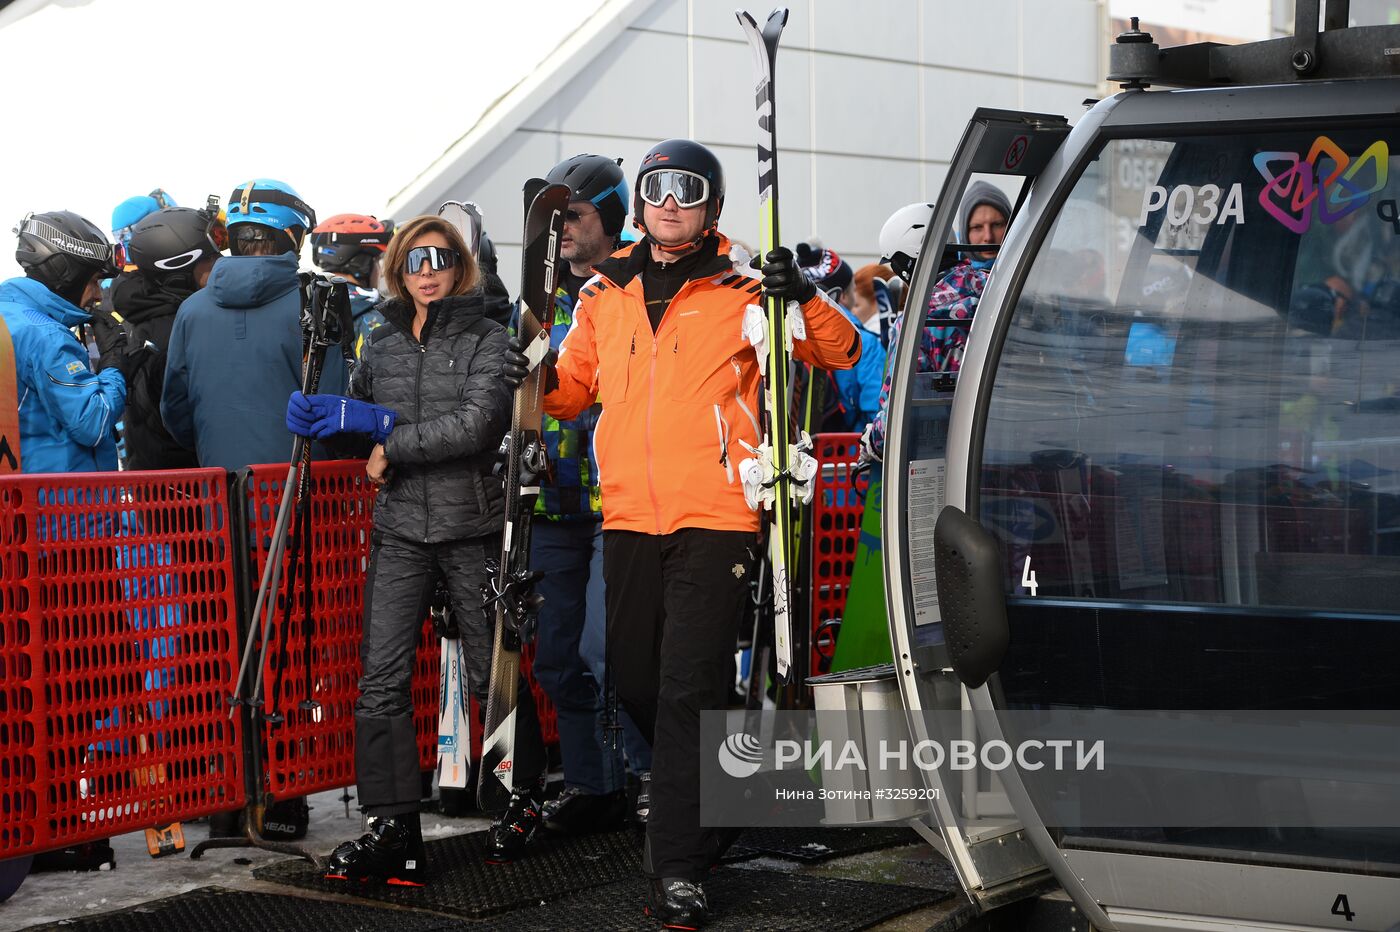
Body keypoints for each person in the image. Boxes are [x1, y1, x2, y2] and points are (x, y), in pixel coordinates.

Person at [503, 138, 862, 929]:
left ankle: (678, 867)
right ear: (640, 204)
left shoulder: (744, 289)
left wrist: (800, 294)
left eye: (688, 190)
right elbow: (571, 392)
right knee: (637, 680)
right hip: (630, 513)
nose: (671, 201)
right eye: (658, 188)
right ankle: (727, 776)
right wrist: (530, 369)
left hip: (718, 513)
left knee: (685, 688)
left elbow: (842, 350)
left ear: (713, 207)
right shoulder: (605, 292)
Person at [287, 214, 550, 883]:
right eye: (414, 261)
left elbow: (476, 426)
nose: (427, 273)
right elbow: (359, 422)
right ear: (397, 270)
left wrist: (384, 436)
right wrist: (329, 419)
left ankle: (520, 796)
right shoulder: (380, 343)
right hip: (401, 528)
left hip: (471, 525)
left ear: (460, 266)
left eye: (440, 259)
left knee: (495, 672)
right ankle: (394, 828)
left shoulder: (489, 337)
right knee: (380, 679)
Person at [527, 154, 653, 837]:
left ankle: (650, 779)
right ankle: (592, 783)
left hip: (620, 500)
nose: (563, 230)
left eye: (573, 216)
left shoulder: (639, 284)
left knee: (613, 650)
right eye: (553, 219)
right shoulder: (537, 298)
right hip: (551, 503)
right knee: (558, 656)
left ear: (608, 216)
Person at [161, 179, 348, 471]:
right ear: (292, 235)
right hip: (306, 489)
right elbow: (336, 408)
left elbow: (175, 410)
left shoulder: (190, 310)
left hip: (221, 488)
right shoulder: (316, 305)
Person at [867, 183, 1009, 460]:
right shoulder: (1000, 289)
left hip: (954, 459)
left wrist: (871, 442)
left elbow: (896, 417)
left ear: (907, 262)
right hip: (1008, 444)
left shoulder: (917, 319)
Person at [98, 206, 224, 470]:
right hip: (182, 483)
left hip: (161, 475)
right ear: (179, 271)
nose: (220, 263)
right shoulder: (173, 332)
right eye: (211, 258)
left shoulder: (155, 314)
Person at [1, 211, 126, 473]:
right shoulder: (45, 335)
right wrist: (114, 363)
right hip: (64, 496)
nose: (98, 295)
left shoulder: (9, 317)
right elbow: (93, 422)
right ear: (66, 275)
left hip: (21, 487)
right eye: (94, 281)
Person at [795, 243, 885, 433]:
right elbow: (878, 412)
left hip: (795, 446)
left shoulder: (789, 336)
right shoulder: (864, 343)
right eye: (852, 289)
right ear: (841, 295)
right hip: (849, 447)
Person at [310, 213, 392, 357]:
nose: (380, 272)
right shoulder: (376, 316)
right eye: (377, 260)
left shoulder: (304, 303)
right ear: (361, 262)